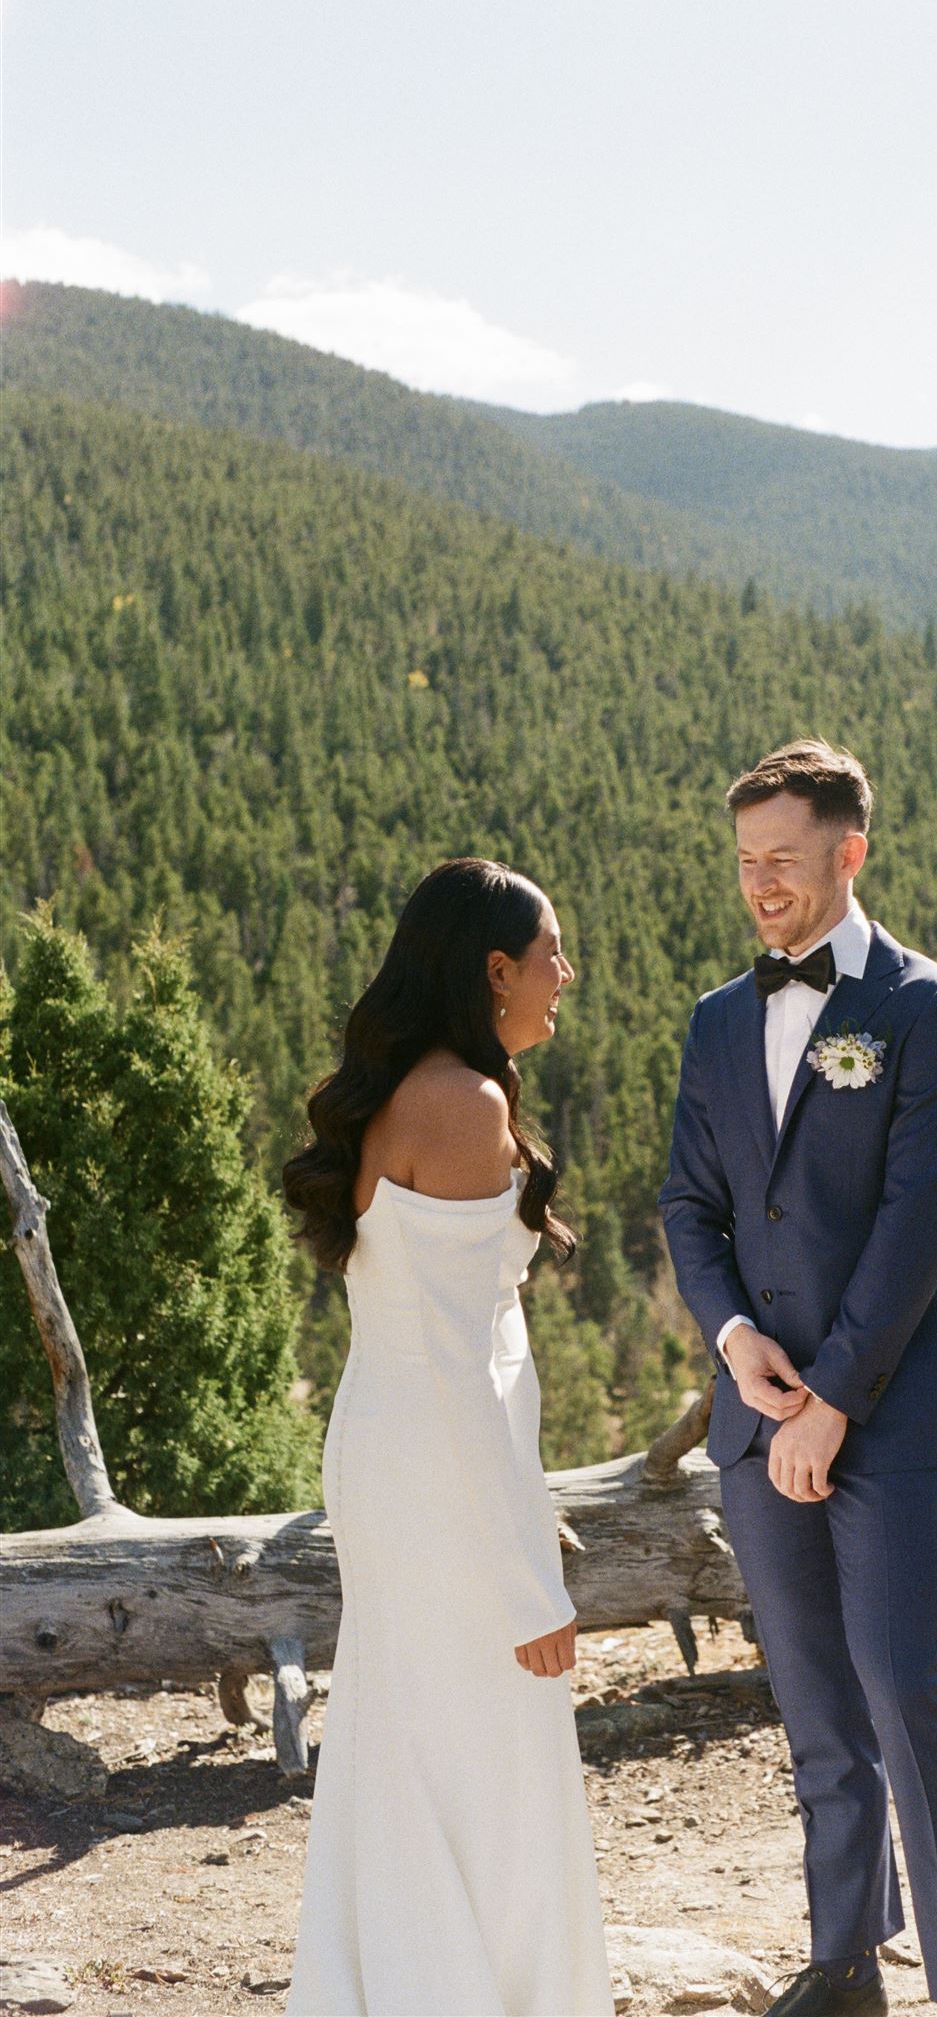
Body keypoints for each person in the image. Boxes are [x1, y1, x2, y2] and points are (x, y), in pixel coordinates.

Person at [659, 740, 937, 2017]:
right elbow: (687, 1202)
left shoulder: (932, 1010)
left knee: (911, 1692)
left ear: (848, 853)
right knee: (813, 1705)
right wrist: (732, 1335)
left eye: (785, 862)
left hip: (890, 1412)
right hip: (755, 1418)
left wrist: (835, 1400)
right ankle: (844, 1962)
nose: (761, 885)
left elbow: (919, 1226)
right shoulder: (713, 1018)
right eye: (746, 861)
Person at [280, 857, 614, 2017]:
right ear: (493, 969)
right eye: (551, 953)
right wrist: (527, 1575)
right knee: (498, 1759)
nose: (563, 974)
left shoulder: (404, 1086)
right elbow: (470, 1372)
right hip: (438, 1466)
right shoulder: (465, 1106)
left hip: (393, 1454)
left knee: (410, 1746)